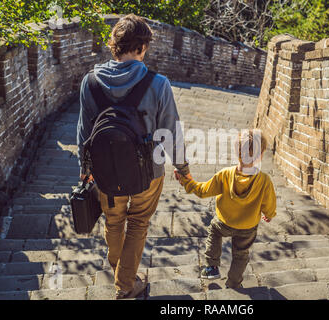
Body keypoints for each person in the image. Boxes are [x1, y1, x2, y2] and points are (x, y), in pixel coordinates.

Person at [77, 14, 190, 299]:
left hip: (105, 172)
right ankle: (125, 284)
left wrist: (84, 167)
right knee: (138, 223)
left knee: (113, 222)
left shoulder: (89, 82)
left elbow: (84, 131)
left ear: (114, 45)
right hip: (148, 173)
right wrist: (182, 167)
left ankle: (119, 267)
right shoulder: (158, 83)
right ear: (142, 47)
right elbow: (170, 131)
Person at [174, 129, 276, 289]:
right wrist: (269, 214)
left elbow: (202, 191)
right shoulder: (264, 180)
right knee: (241, 255)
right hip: (248, 228)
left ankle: (211, 267)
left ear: (237, 152)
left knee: (214, 232)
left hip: (224, 223)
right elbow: (268, 204)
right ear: (260, 155)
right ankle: (234, 283)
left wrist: (187, 181)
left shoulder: (225, 174)